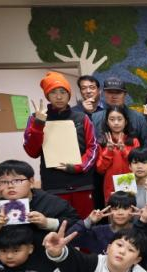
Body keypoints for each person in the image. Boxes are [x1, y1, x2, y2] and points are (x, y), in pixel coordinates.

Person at [23, 71, 98, 219]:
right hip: (53, 184)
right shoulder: (36, 118)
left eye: (63, 92)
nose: (58, 97)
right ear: (47, 96)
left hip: (81, 183)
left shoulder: (81, 117)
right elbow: (32, 151)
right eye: (53, 92)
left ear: (69, 94)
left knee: (86, 222)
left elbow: (93, 147)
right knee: (58, 223)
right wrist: (39, 124)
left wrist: (77, 167)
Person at [0, 159, 79, 242]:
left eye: (17, 180)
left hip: (46, 256)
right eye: (4, 182)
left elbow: (77, 227)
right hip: (6, 260)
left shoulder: (52, 202)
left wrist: (47, 223)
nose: (10, 186)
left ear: (31, 182)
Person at [66, 191, 141, 254]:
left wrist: (144, 220)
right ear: (109, 211)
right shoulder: (98, 232)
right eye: (115, 209)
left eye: (125, 208)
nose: (120, 213)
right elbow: (69, 239)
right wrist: (88, 221)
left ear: (133, 211)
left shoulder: (140, 231)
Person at [96, 105, 141, 203]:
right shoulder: (102, 142)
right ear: (107, 122)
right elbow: (100, 169)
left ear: (126, 121)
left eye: (119, 119)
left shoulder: (133, 141)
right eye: (112, 119)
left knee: (129, 209)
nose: (116, 123)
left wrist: (124, 150)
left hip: (128, 181)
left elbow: (138, 165)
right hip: (110, 184)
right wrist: (108, 151)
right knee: (113, 210)